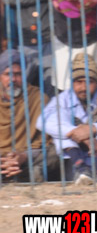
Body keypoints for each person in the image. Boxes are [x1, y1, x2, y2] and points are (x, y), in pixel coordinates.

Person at [38, 51, 97, 185]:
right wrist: (79, 134)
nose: (83, 87)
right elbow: (42, 121)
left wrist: (94, 129)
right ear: (72, 82)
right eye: (79, 82)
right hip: (74, 165)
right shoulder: (63, 98)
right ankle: (81, 168)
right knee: (59, 120)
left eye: (89, 82)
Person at [0, 49, 58, 183]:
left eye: (18, 74)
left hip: (29, 157)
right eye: (8, 74)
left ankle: (22, 175)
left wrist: (24, 156)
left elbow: (45, 140)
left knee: (58, 150)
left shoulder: (38, 98)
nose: (13, 79)